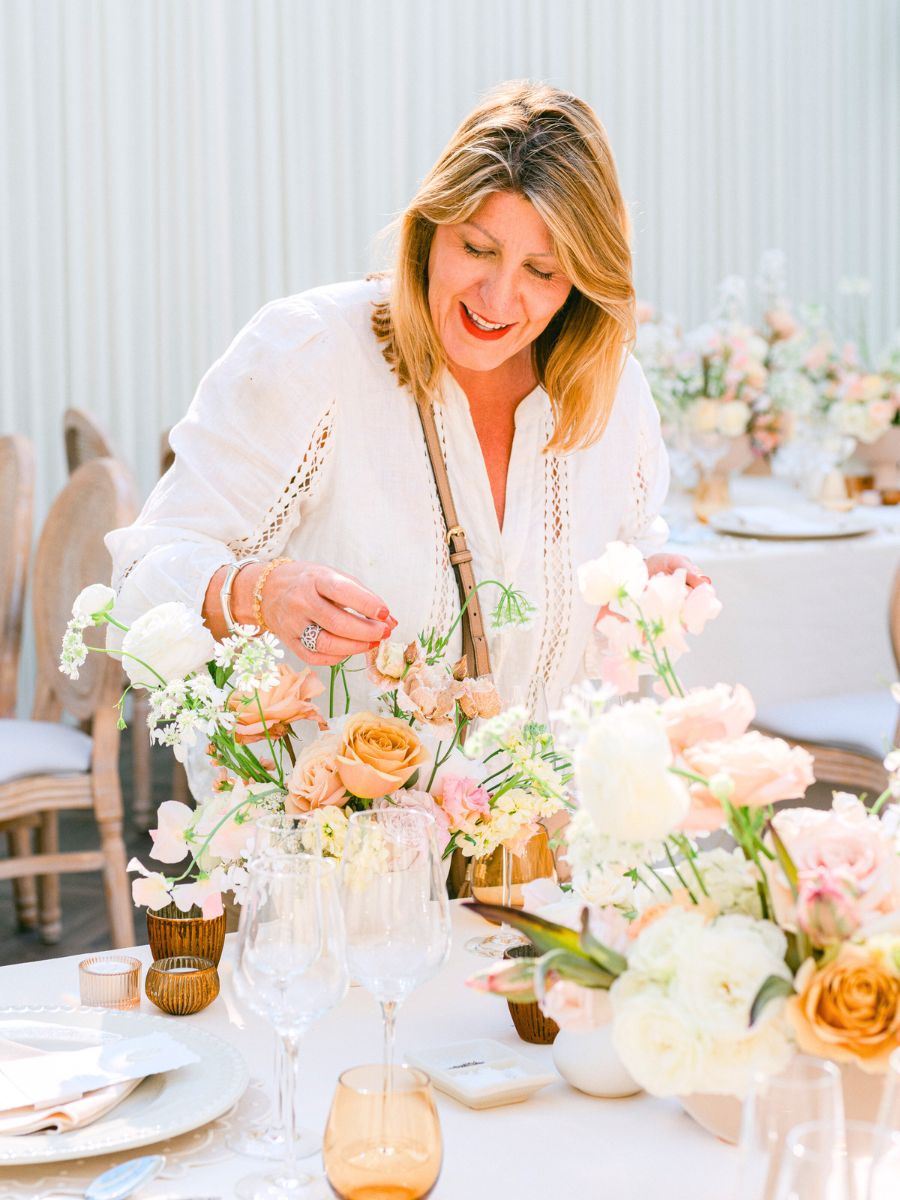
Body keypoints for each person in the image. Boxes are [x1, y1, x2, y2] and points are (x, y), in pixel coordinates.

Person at [107, 80, 702, 715]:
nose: (498, 300)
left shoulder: (612, 390)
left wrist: (637, 590)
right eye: (477, 248)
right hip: (318, 815)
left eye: (542, 271)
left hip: (536, 815)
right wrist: (259, 593)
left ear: (583, 281)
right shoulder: (309, 351)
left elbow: (614, 562)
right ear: (429, 230)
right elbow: (138, 585)